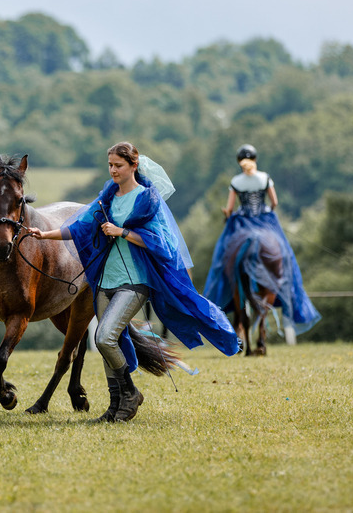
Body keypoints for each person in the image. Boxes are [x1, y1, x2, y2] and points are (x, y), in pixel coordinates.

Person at [29, 142, 240, 422]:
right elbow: (78, 227)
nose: (113, 170)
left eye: (118, 165)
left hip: (135, 282)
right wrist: (45, 235)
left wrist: (123, 231)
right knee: (108, 344)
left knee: (103, 337)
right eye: (110, 165)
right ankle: (115, 406)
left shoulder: (147, 200)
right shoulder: (107, 197)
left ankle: (130, 393)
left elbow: (163, 243)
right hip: (105, 280)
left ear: (133, 166)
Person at [204, 144, 321, 337]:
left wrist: (227, 214)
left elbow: (230, 208)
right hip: (265, 220)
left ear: (239, 162)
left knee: (222, 254)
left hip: (243, 222)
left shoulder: (236, 181)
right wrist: (269, 211)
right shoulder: (265, 178)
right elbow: (274, 202)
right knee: (286, 253)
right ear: (255, 160)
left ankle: (220, 299)